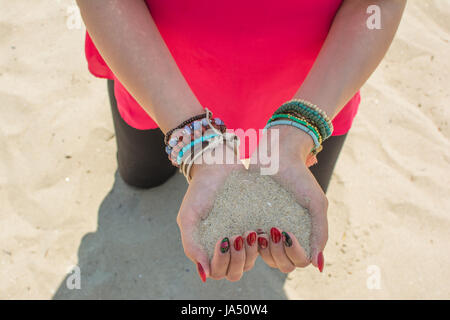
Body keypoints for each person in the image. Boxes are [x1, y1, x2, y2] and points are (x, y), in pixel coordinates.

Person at [76, 0, 406, 282]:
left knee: (295, 221)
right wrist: (197, 145)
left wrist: (296, 134)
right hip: (153, 76)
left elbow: (375, 5)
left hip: (318, 88)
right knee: (141, 176)